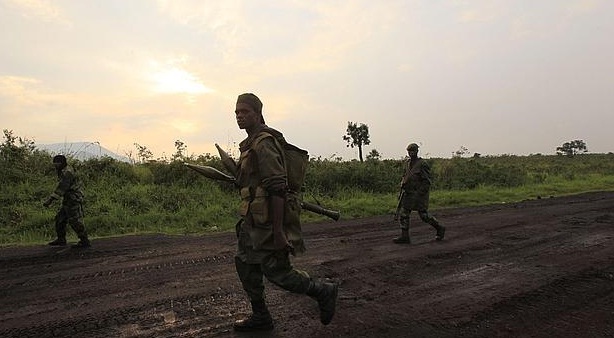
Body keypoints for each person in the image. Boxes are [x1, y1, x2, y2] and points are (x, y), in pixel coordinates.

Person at [232, 93, 338, 331]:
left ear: (258, 114)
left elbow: (278, 188)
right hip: (252, 222)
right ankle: (261, 316)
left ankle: (322, 290)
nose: (239, 116)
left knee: (279, 273)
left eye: (245, 111)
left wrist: (279, 232)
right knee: (245, 264)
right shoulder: (250, 143)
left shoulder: (264, 142)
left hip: (269, 222)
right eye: (236, 112)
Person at [393, 143, 445, 244]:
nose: (411, 153)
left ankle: (439, 228)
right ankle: (405, 237)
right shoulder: (407, 163)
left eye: (413, 151)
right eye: (409, 151)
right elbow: (405, 176)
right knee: (404, 214)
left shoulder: (422, 164)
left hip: (419, 195)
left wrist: (420, 193)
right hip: (408, 193)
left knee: (424, 216)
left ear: (417, 151)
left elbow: (427, 181)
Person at [43, 154, 91, 248]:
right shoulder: (63, 170)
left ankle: (84, 240)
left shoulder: (67, 172)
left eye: (57, 163)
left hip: (73, 198)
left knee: (74, 221)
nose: (55, 165)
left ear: (62, 163)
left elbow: (62, 188)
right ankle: (61, 239)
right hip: (68, 198)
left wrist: (50, 200)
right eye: (55, 162)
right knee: (60, 219)